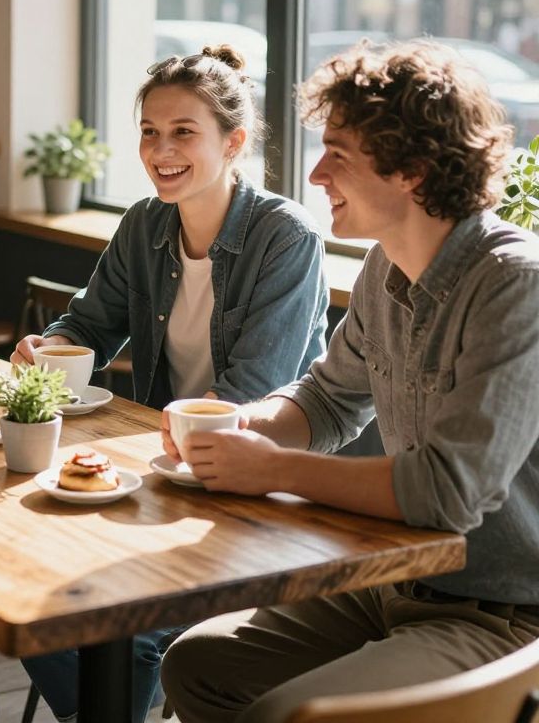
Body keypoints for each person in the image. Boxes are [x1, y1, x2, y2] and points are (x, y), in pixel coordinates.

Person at [160, 40, 539, 723]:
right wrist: (240, 425)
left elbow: (448, 490)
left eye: (338, 153)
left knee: (284, 714)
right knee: (196, 665)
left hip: (507, 619)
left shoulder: (516, 286)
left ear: (412, 170)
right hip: (397, 580)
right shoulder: (385, 270)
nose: (314, 173)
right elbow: (328, 399)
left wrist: (273, 469)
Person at [14, 48, 330, 723]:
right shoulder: (144, 224)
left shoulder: (287, 237)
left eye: (183, 132)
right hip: (162, 476)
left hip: (265, 489)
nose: (161, 150)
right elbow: (90, 324)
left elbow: (255, 394)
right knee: (23, 597)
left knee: (131, 633)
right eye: (150, 132)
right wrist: (53, 349)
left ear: (233, 141)